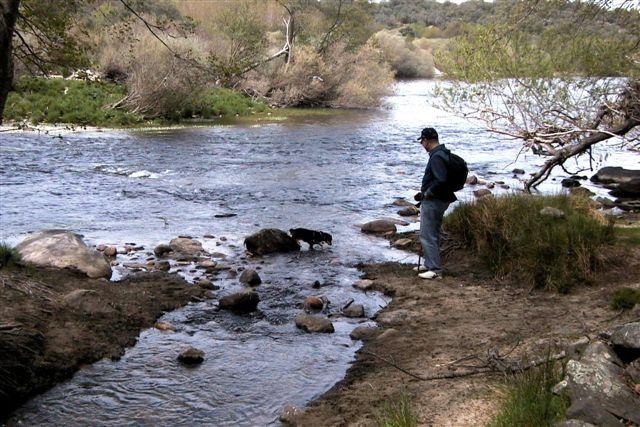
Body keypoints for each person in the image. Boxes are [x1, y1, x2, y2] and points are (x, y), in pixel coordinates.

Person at [413, 127, 457, 279]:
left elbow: (441, 180)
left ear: (426, 140)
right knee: (433, 232)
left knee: (428, 234)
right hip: (440, 199)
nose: (421, 144)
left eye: (422, 141)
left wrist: (426, 193)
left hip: (434, 200)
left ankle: (435, 270)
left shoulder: (437, 156)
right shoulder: (441, 153)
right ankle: (429, 263)